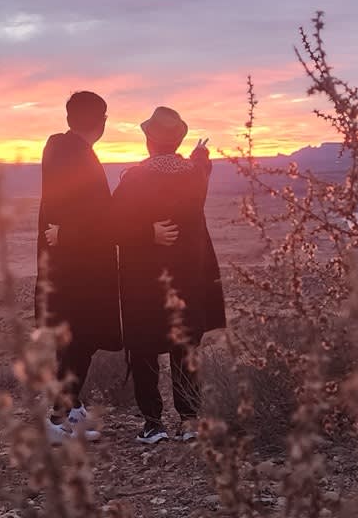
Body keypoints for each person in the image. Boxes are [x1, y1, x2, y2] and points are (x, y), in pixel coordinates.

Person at [37, 91, 178, 444]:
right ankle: (58, 419)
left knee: (76, 339)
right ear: (101, 121)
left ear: (69, 119)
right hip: (81, 268)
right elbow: (100, 219)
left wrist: (66, 233)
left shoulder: (59, 149)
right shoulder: (81, 159)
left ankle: (70, 409)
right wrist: (147, 232)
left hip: (65, 264)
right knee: (79, 339)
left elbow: (74, 213)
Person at [110, 106, 226, 444]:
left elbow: (111, 226)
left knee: (144, 347)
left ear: (148, 140)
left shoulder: (134, 179)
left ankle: (153, 423)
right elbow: (201, 168)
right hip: (188, 277)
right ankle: (189, 420)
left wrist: (147, 233)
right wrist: (199, 155)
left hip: (144, 281)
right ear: (178, 141)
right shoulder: (194, 176)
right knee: (184, 345)